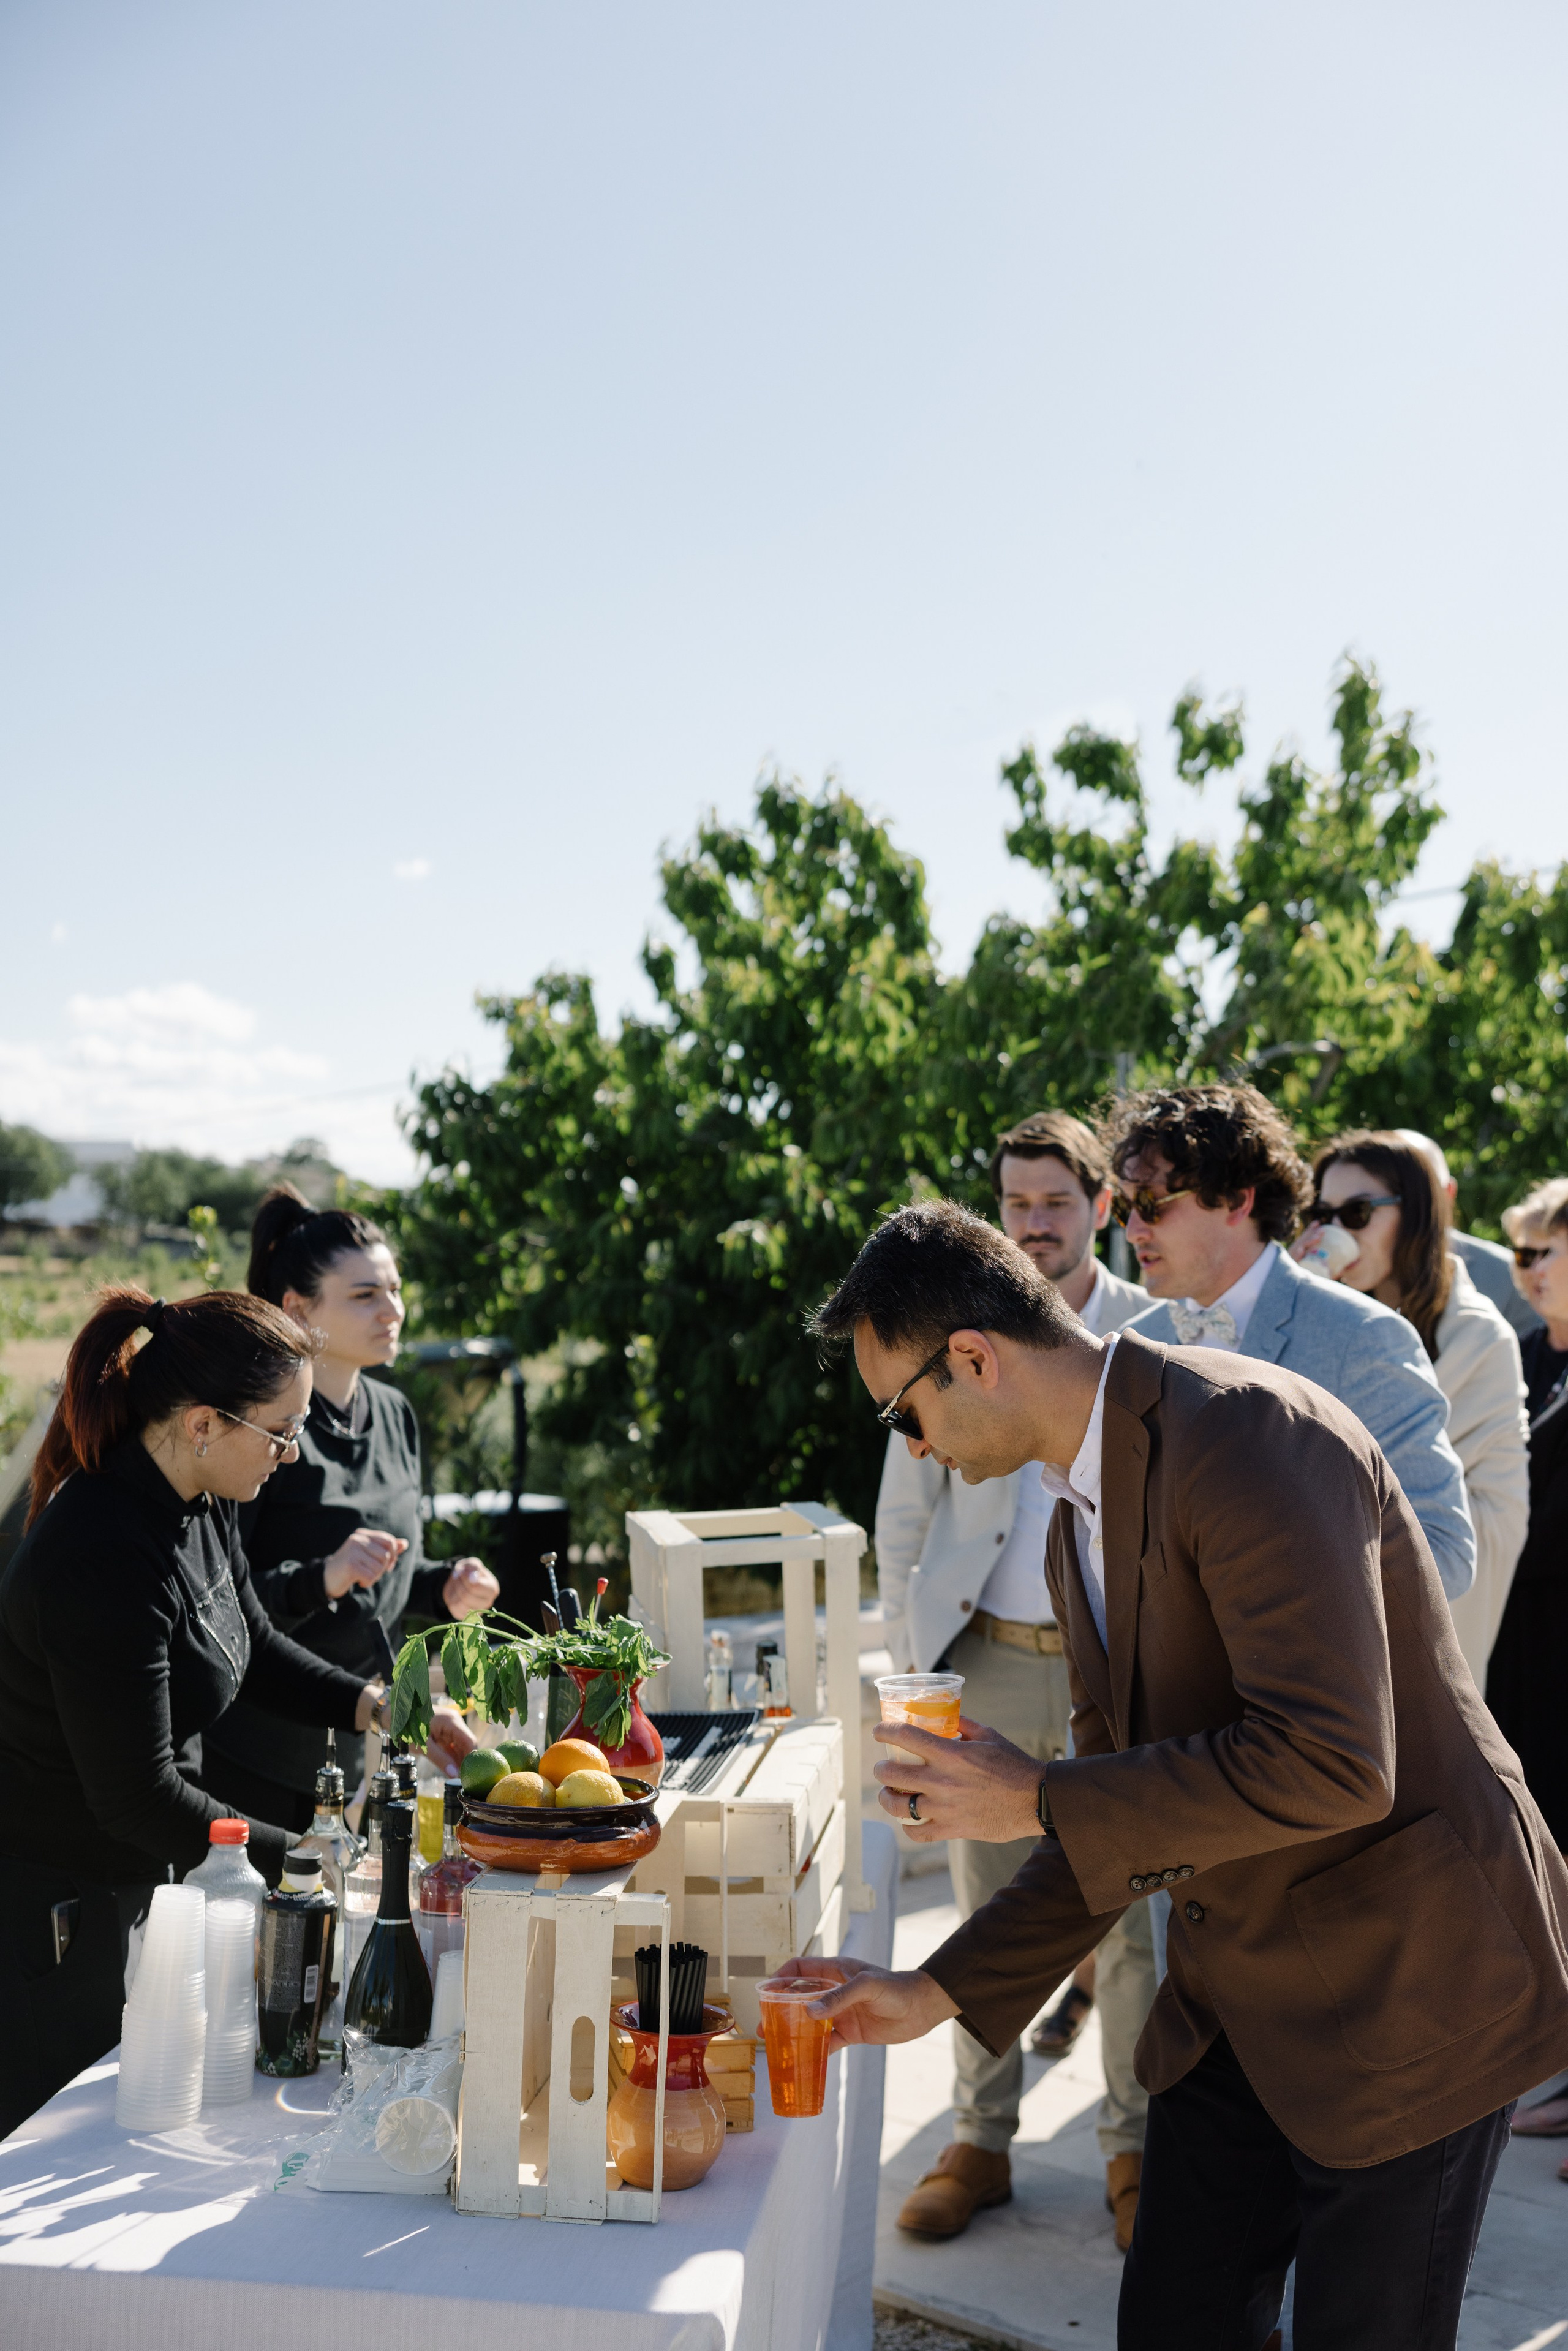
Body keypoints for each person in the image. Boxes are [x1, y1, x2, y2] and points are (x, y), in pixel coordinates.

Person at [791, 1199, 1568, 2351]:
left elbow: (1335, 1762)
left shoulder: (1250, 1433)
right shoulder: (1073, 1516)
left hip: (1413, 1991)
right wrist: (933, 1992)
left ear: (974, 1357)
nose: (911, 1446)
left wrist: (1038, 1793)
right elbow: (1117, 1825)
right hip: (1237, 2006)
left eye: (902, 1411)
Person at [0, 1288, 386, 2136]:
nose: (292, 1454)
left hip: (145, 1886)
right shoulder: (101, 1554)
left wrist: (371, 1704)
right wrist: (313, 1861)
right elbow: (138, 1794)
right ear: (204, 1421)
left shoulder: (204, 1497)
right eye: (282, 1430)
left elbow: (247, 1639)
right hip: (63, 1917)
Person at [874, 1111, 1147, 2243]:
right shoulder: (950, 1332)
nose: (1034, 1222)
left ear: (1101, 1206)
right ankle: (979, 2140)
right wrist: (915, 1664)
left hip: (1117, 1670)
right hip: (982, 1658)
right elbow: (905, 1518)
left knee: (1137, 1918)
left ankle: (1134, 2149)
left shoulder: (1149, 1334)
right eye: (1016, 1202)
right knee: (982, 1907)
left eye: (1055, 1201)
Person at [201, 1188, 495, 1833]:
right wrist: (322, 1577)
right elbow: (217, 1602)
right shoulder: (258, 1430)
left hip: (358, 1747)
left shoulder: (395, 1414)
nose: (392, 1310)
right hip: (258, 1760)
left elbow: (384, 1578)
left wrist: (444, 1585)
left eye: (394, 1288)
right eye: (365, 1295)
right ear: (297, 1308)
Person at [1112, 1083, 1476, 1602]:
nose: (1132, 1231)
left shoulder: (1363, 1337)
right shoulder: (1138, 1345)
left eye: (1152, 1204)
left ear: (1237, 1200)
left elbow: (1444, 1554)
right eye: (1126, 1208)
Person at [1298, 1131, 1528, 1686]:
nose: (1335, 1232)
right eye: (1322, 1214)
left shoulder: (1480, 1336)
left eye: (1356, 1213)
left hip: (1446, 1588)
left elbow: (1386, 1469)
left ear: (1418, 1216)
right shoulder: (1338, 1318)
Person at [1486, 1179, 1568, 1855]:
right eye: (1519, 1255)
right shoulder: (1515, 1352)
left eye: (1543, 1252)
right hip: (1513, 1629)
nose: (1529, 1270)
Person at [1396, 1128, 1544, 1344]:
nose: (1408, 1206)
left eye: (1422, 1190)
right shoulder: (1341, 1273)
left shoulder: (1506, 1274)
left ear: (1449, 1193)